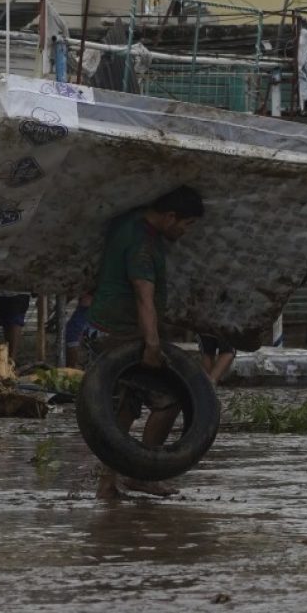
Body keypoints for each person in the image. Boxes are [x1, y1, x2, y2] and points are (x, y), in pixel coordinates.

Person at [81, 185, 205, 499]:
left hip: (101, 326)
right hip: (122, 333)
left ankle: (108, 484)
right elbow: (143, 297)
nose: (185, 232)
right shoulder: (144, 247)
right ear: (170, 216)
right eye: (186, 225)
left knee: (123, 409)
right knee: (169, 399)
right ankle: (144, 472)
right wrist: (152, 345)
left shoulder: (128, 222)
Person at [0, 290, 31, 363]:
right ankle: (7, 358)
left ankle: (12, 360)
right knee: (6, 323)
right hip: (0, 291)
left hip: (19, 291)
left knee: (15, 322)